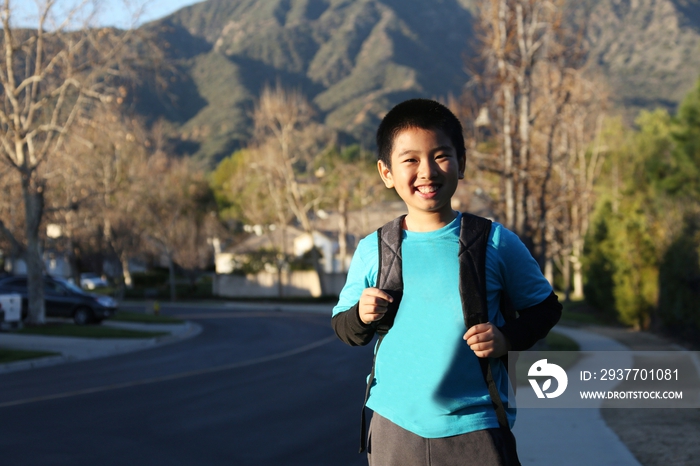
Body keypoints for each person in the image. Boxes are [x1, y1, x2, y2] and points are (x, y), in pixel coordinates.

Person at [331, 99, 562, 466]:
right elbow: (346, 328)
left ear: (462, 162)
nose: (426, 171)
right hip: (393, 428)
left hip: (476, 428)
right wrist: (360, 314)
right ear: (386, 172)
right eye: (410, 160)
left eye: (440, 155)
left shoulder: (495, 242)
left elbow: (546, 308)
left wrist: (506, 339)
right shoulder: (373, 249)